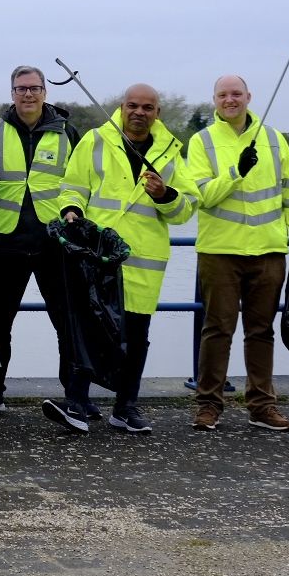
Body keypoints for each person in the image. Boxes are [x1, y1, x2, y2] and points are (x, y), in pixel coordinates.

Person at [56, 85, 197, 433]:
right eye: (133, 105)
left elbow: (187, 209)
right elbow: (72, 186)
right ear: (121, 107)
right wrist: (72, 210)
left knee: (135, 336)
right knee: (87, 331)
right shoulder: (95, 140)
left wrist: (166, 194)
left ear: (157, 113)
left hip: (143, 259)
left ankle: (126, 408)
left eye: (148, 107)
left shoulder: (171, 153)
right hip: (98, 257)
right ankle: (76, 405)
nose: (139, 112)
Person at [183, 75, 289, 433]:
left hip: (269, 250)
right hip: (219, 250)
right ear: (214, 99)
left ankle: (261, 406)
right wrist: (235, 172)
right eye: (223, 95)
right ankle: (208, 405)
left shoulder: (274, 140)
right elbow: (202, 195)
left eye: (236, 94)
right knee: (217, 329)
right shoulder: (202, 141)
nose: (230, 100)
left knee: (261, 331)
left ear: (248, 97)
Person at [0, 65, 83, 416]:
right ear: (12, 93)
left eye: (34, 88)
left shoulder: (67, 132)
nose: (27, 94)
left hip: (54, 242)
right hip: (6, 241)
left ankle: (74, 396)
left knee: (66, 322)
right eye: (20, 89)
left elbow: (80, 185)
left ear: (45, 92)